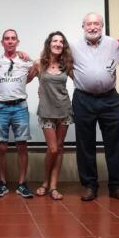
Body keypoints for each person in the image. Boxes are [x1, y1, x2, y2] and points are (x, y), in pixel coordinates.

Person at [70, 13, 119, 202]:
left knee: (114, 144)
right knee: (85, 145)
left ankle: (116, 186)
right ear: (82, 26)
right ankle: (90, 186)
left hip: (109, 100)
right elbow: (53, 60)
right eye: (88, 24)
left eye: (96, 23)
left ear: (102, 25)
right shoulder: (73, 46)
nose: (92, 27)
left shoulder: (113, 44)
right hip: (83, 99)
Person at [27, 31, 74, 200]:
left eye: (61, 41)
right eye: (55, 41)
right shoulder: (39, 64)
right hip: (46, 112)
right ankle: (45, 182)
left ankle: (53, 186)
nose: (58, 44)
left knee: (59, 148)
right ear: (49, 44)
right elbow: (24, 80)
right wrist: (21, 60)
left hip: (64, 110)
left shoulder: (67, 64)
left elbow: (82, 81)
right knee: (52, 149)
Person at [0, 29, 34, 198]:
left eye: (13, 38)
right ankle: (2, 183)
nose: (10, 41)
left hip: (20, 107)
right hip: (0, 108)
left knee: (22, 146)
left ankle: (22, 184)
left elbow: (38, 66)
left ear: (17, 42)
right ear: (2, 42)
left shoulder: (25, 61)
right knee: (0, 147)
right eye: (6, 39)